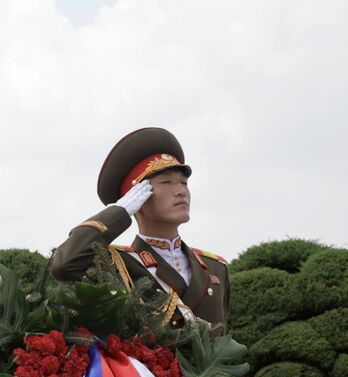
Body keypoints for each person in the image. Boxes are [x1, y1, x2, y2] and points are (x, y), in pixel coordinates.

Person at [49, 127, 229, 329]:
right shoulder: (115, 265)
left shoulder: (215, 268)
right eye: (167, 182)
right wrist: (120, 211)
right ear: (137, 197)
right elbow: (64, 265)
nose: (181, 191)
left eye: (184, 183)